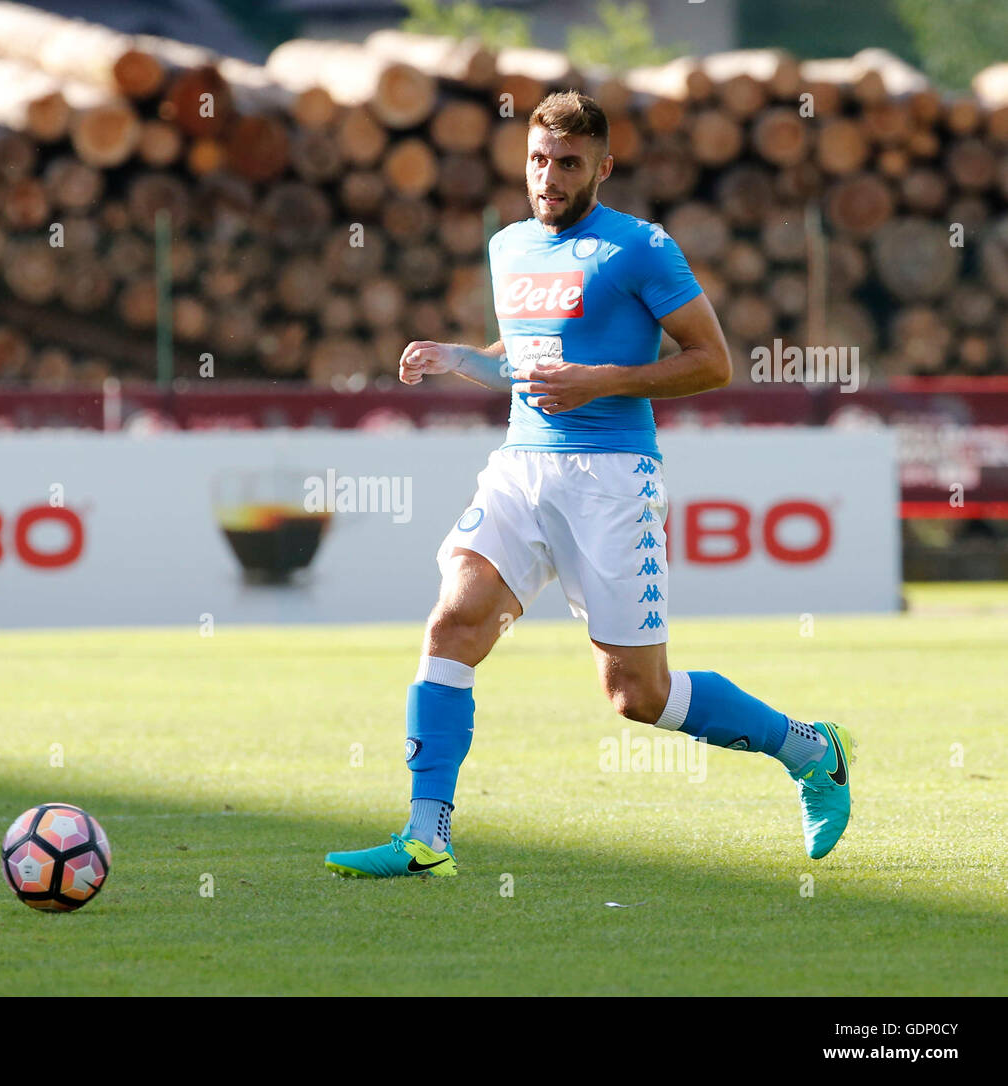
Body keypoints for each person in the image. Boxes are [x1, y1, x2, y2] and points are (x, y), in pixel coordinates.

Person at [324, 90, 854, 879]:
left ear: (602, 167)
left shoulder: (641, 248)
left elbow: (712, 361)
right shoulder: (508, 247)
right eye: (538, 160)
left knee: (637, 695)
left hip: (611, 480)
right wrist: (457, 358)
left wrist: (603, 380)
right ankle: (425, 834)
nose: (549, 176)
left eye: (568, 163)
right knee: (452, 623)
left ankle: (812, 750)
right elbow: (527, 356)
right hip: (518, 465)